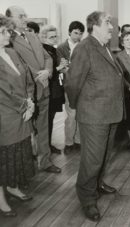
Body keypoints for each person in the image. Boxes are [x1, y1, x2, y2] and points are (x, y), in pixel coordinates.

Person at [65, 11, 124, 221]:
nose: (112, 27)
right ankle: (87, 199)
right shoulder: (84, 48)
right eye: (108, 22)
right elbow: (73, 83)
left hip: (110, 113)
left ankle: (97, 184)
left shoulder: (104, 47)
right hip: (93, 115)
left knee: (103, 156)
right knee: (92, 160)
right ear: (95, 25)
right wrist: (75, 106)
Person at [6, 6, 61, 173]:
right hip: (25, 93)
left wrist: (48, 71)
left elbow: (46, 57)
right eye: (20, 16)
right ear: (10, 20)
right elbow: (18, 66)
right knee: (24, 131)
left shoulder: (32, 35)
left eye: (25, 15)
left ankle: (44, 161)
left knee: (43, 128)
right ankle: (25, 165)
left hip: (43, 89)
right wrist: (39, 73)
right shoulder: (8, 40)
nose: (25, 18)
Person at [0, 15, 35, 217]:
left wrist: (30, 101)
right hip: (5, 116)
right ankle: (1, 197)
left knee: (19, 152)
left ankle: (12, 186)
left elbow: (27, 77)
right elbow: (4, 92)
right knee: (4, 157)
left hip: (23, 112)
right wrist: (25, 106)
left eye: (8, 31)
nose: (8, 35)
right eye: (3, 32)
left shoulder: (12, 53)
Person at [57, 21, 84, 154]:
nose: (78, 36)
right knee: (71, 114)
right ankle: (69, 142)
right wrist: (72, 69)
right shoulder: (62, 47)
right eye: (75, 32)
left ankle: (78, 141)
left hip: (83, 86)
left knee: (81, 114)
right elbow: (62, 68)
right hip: (69, 85)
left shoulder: (83, 46)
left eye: (80, 33)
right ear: (69, 32)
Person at [40, 25, 68, 154]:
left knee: (50, 119)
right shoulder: (42, 51)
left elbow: (57, 70)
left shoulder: (53, 50)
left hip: (56, 89)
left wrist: (63, 67)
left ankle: (48, 146)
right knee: (46, 121)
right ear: (44, 37)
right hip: (49, 90)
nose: (55, 39)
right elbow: (44, 72)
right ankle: (44, 148)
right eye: (51, 37)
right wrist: (59, 67)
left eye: (56, 36)